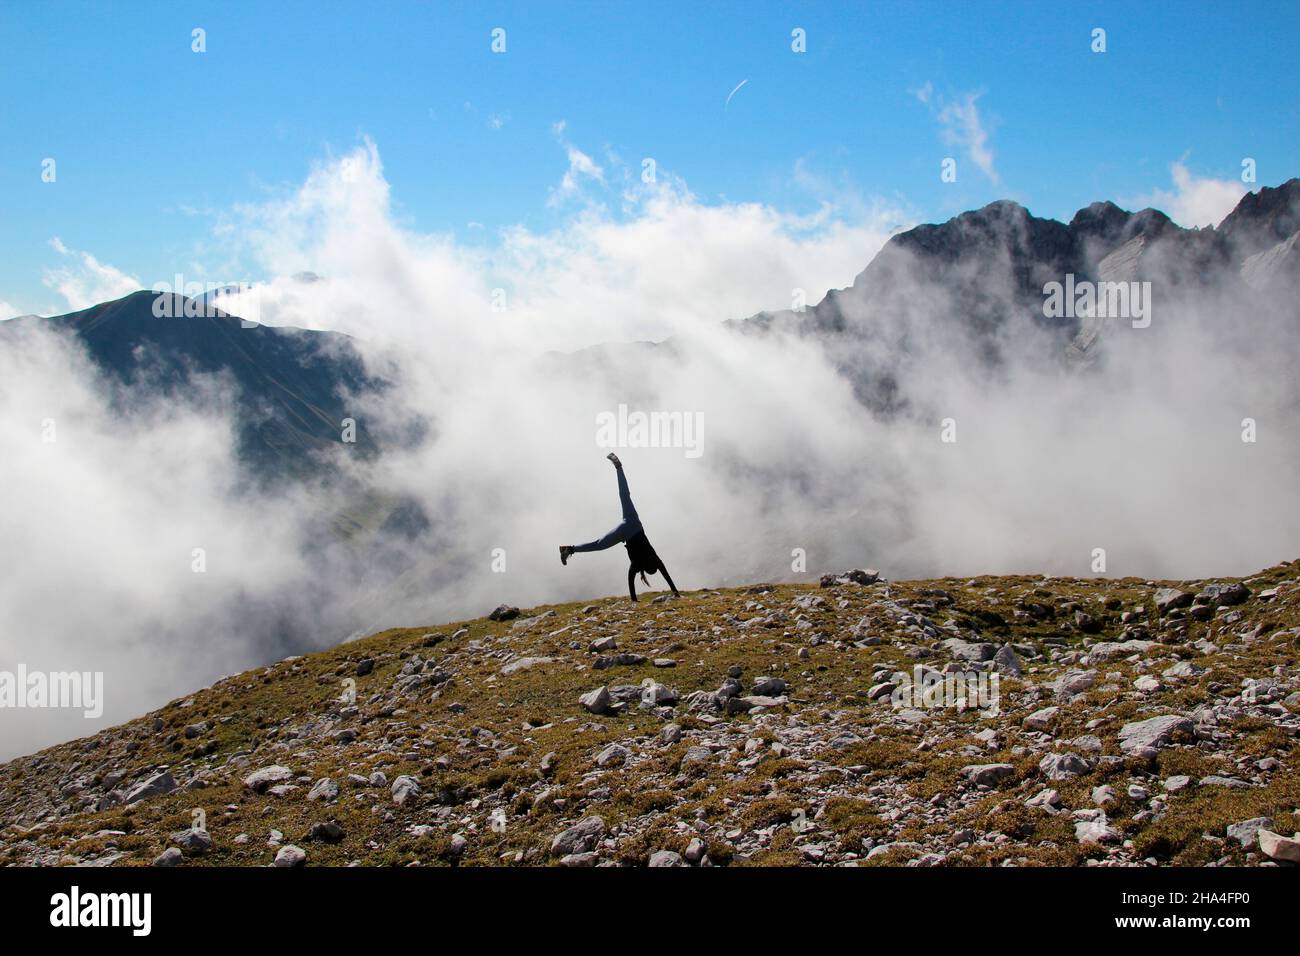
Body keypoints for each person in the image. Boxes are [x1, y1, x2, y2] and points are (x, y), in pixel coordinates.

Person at [560, 453, 680, 602]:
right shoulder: (638, 566)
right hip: (625, 533)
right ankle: (570, 549)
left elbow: (665, 574)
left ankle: (618, 467)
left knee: (625, 495)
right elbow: (630, 581)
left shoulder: (654, 559)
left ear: (652, 565)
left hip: (633, 523)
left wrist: (676, 592)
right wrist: (634, 600)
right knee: (598, 544)